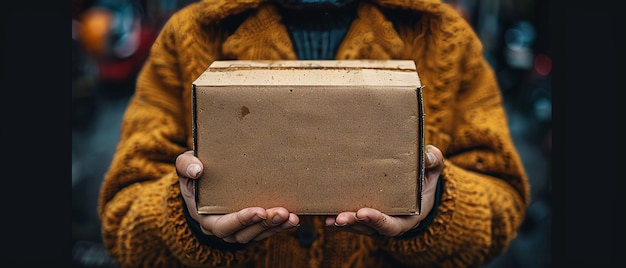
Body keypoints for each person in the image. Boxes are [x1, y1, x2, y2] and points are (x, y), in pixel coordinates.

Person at [97, 0, 530, 267]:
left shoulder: (443, 37)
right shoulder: (189, 36)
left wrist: (435, 213)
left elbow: (503, 201)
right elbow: (122, 220)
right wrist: (188, 220)